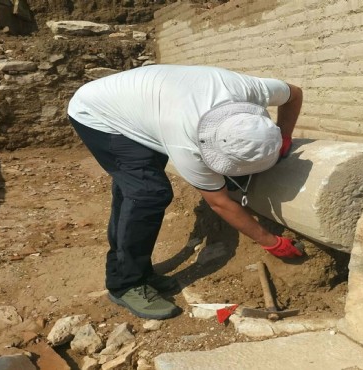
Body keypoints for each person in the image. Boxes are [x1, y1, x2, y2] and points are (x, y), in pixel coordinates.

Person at [67, 65, 304, 320]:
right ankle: (125, 284)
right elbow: (220, 203)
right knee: (148, 193)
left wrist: (286, 137)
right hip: (98, 114)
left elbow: (295, 93)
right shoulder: (185, 141)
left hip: (144, 104)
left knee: (135, 188)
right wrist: (271, 241)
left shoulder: (252, 89)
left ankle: (138, 271)